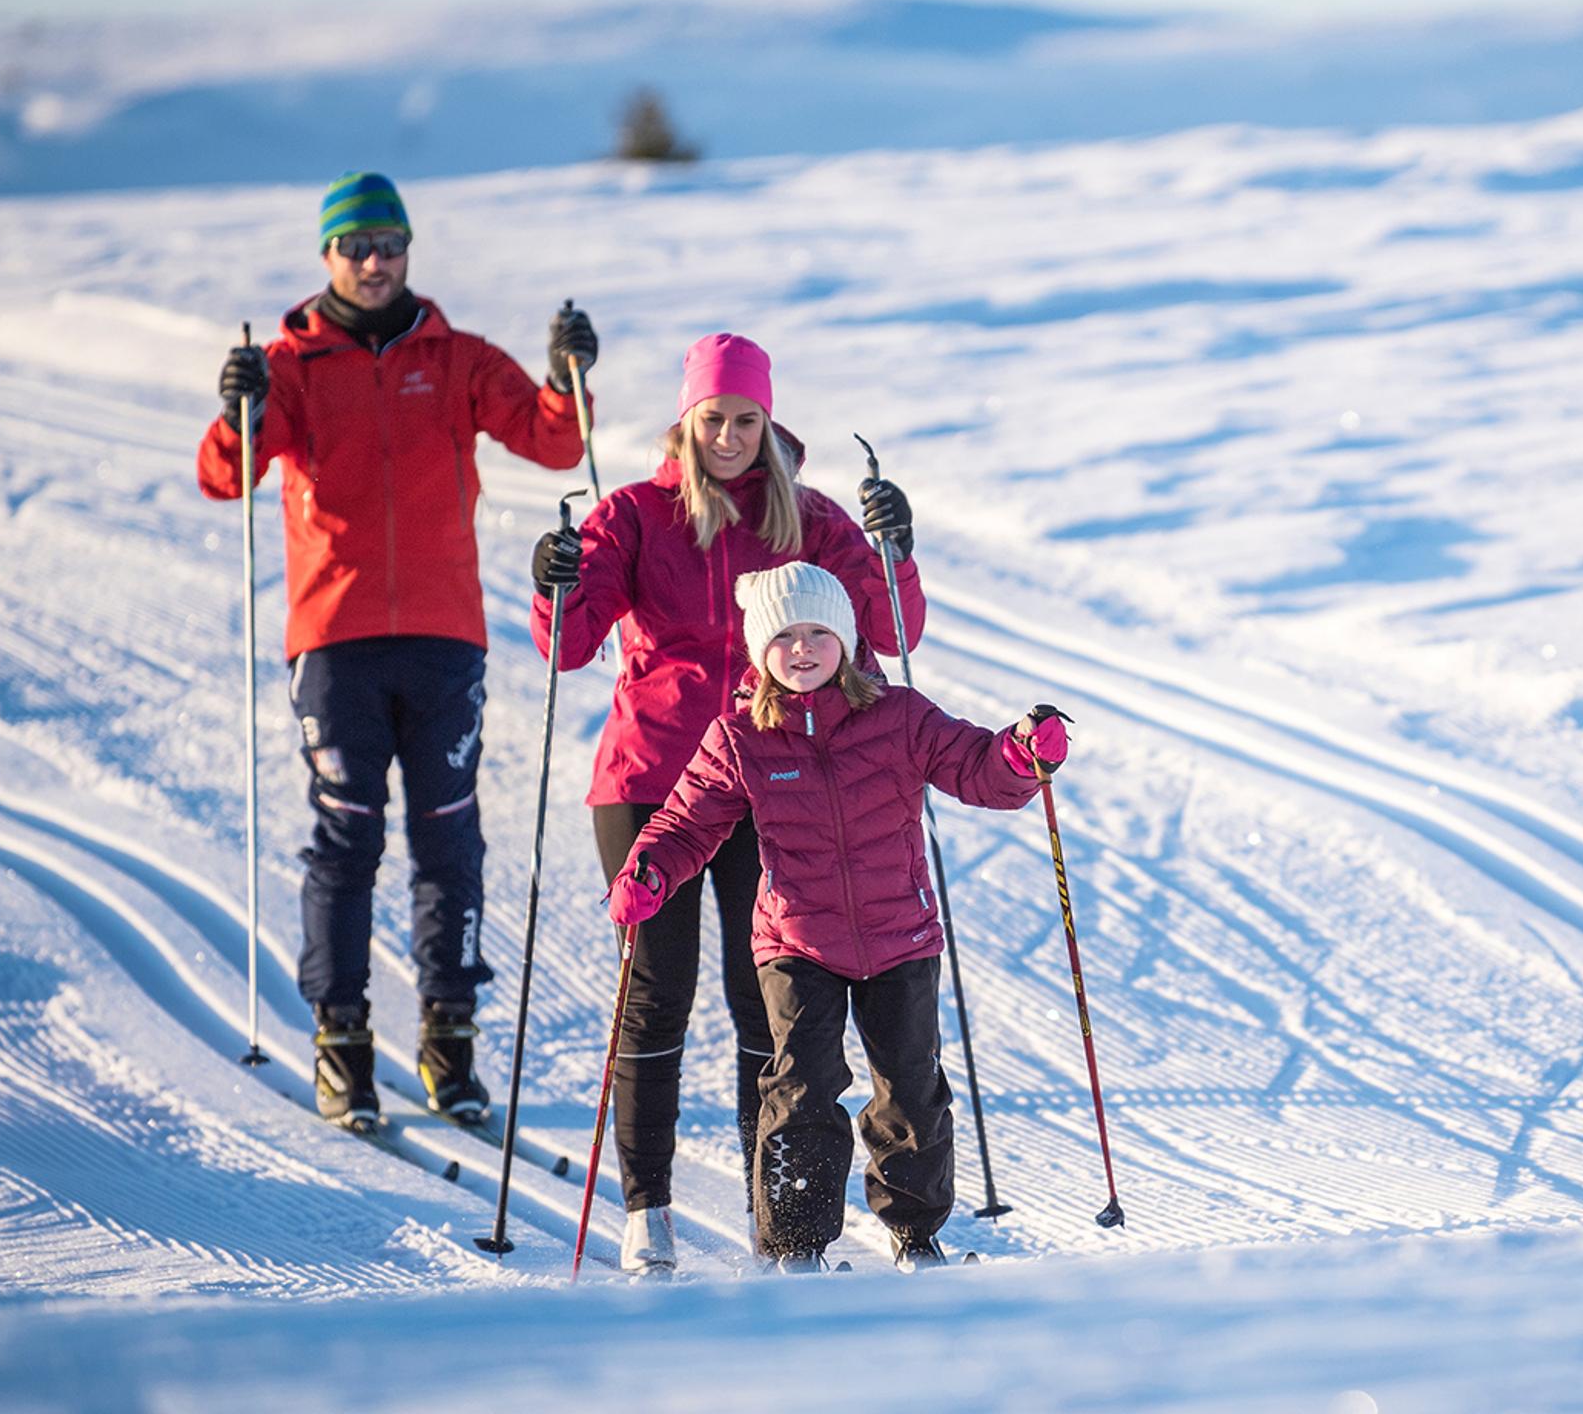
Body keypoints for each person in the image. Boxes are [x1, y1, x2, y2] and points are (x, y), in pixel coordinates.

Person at [196, 171, 598, 1131]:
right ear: (327, 254)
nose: (374, 262)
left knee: (449, 836)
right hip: (334, 641)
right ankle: (342, 1045)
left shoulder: (457, 358)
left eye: (389, 244)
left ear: (409, 249)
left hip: (443, 636)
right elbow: (225, 476)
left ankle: (448, 1041)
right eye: (356, 246)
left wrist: (567, 378)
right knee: (348, 837)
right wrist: (236, 408)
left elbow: (552, 442)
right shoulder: (291, 365)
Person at [527, 332, 923, 1272]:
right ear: (686, 420)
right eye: (714, 419)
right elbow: (567, 646)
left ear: (769, 422)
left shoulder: (812, 521)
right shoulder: (635, 515)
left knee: (769, 1006)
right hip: (649, 782)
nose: (731, 437)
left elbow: (891, 632)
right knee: (656, 995)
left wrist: (894, 551)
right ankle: (647, 1210)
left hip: (769, 781)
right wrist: (556, 583)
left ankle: (771, 1212)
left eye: (748, 420)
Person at [606, 562, 1070, 1272]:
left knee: (911, 1091)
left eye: (819, 632)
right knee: (801, 1091)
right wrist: (650, 868)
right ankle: (795, 1246)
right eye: (784, 636)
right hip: (798, 941)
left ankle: (915, 1236)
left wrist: (1019, 754)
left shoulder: (900, 716)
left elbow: (978, 768)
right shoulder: (740, 736)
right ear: (760, 650)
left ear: (847, 641)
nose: (802, 648)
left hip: (900, 935)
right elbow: (687, 821)